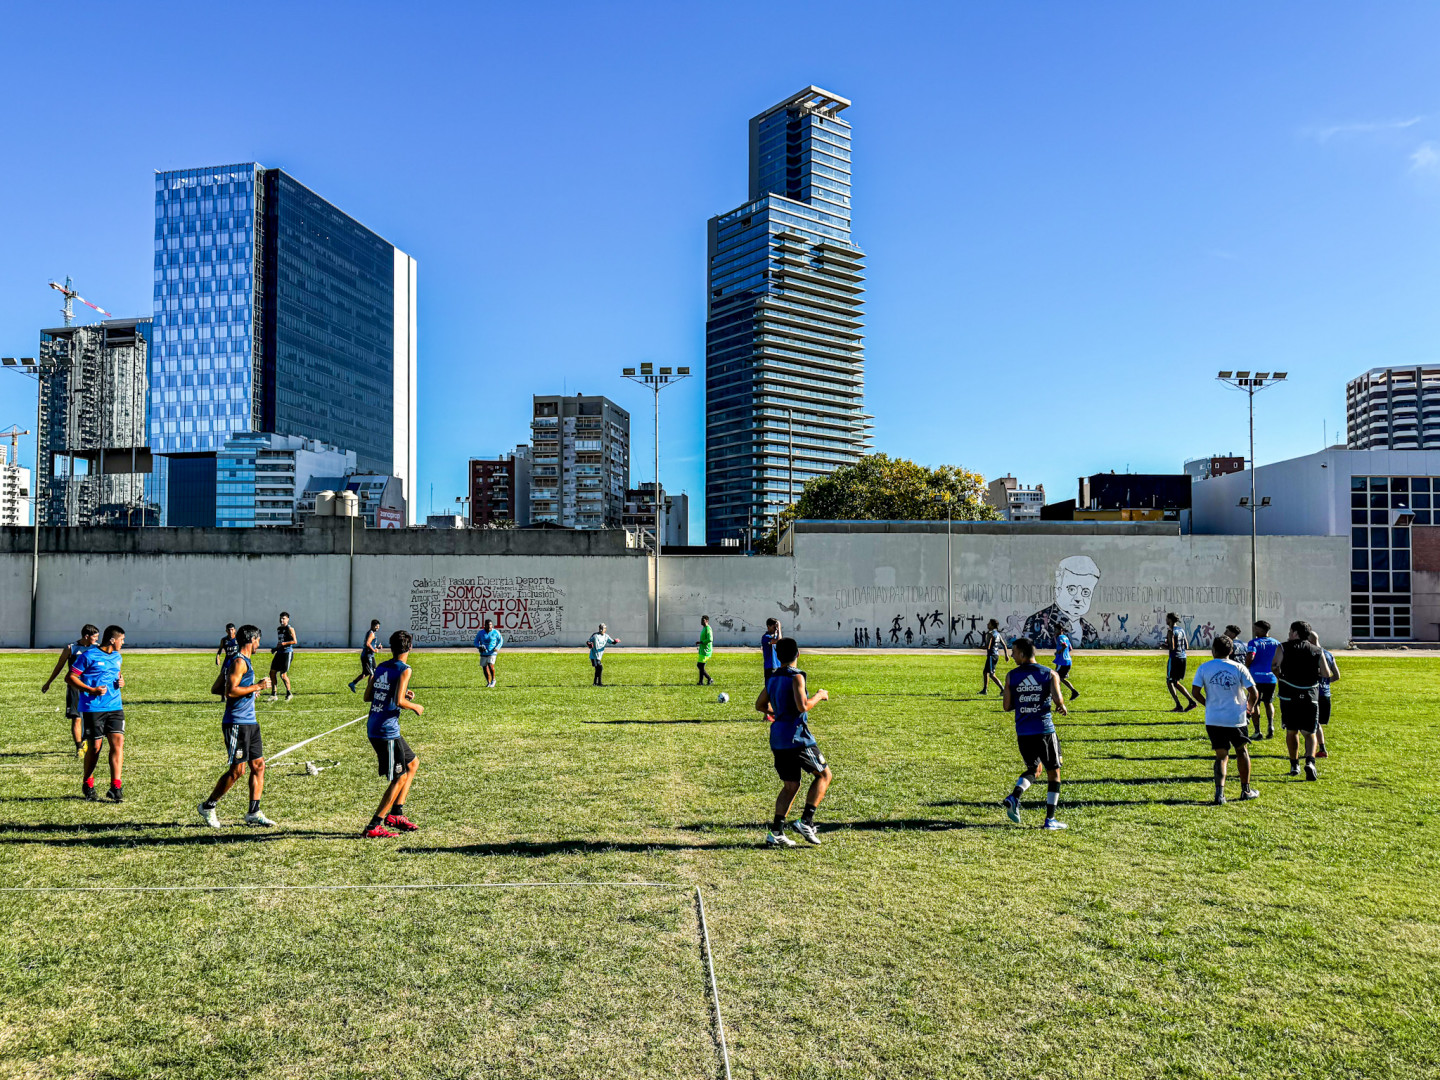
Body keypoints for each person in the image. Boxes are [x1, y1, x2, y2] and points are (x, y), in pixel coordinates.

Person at [754, 637, 831, 847]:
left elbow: (759, 705)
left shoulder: (773, 678)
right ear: (798, 654)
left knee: (791, 785)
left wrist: (777, 712)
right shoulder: (796, 677)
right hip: (797, 738)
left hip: (778, 738)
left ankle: (776, 832)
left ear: (778, 657)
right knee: (824, 775)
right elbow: (802, 707)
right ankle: (806, 821)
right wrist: (819, 695)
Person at [199, 624, 276, 828]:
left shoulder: (241, 662)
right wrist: (256, 687)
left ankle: (254, 812)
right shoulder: (239, 662)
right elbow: (230, 691)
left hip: (250, 722)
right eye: (258, 639)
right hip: (237, 723)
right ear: (251, 640)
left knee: (259, 766)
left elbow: (217, 688)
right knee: (237, 771)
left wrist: (250, 691)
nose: (260, 643)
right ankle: (208, 805)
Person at [1000, 637, 1069, 830]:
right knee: (1054, 773)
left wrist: (1023, 700)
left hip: (1023, 732)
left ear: (1022, 653)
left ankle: (1014, 797)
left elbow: (1006, 706)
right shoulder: (1049, 674)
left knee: (1034, 769)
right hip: (1044, 730)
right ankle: (1050, 820)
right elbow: (1057, 698)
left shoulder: (1011, 676)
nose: (1012, 655)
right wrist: (1061, 706)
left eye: (1013, 652)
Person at [362, 630, 424, 838]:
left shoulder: (381, 666)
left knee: (412, 763)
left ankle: (396, 814)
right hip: (385, 730)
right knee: (399, 777)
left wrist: (399, 692)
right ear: (410, 648)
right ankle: (374, 825)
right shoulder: (405, 669)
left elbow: (368, 695)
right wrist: (414, 705)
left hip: (377, 725)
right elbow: (399, 702)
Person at [1191, 635, 1260, 805]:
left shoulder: (1204, 668)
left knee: (1221, 756)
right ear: (1231, 651)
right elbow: (1254, 693)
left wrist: (1208, 705)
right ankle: (1246, 790)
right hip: (1236, 718)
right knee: (1242, 751)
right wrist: (1249, 709)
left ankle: (1219, 795)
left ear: (1213, 651)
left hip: (1214, 719)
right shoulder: (1239, 667)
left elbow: (1195, 692)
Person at [67, 624, 127, 803]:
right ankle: (88, 783)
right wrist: (91, 690)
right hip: (93, 708)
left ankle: (116, 787)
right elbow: (70, 677)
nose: (123, 643)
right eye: (122, 640)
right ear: (112, 639)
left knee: (118, 744)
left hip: (115, 707)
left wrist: (121, 681)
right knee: (95, 748)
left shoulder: (117, 657)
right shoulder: (88, 656)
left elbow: (116, 674)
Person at [1273, 620, 1326, 781]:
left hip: (1289, 694)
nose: (1289, 634)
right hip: (1310, 695)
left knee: (1292, 731)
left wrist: (1280, 677)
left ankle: (1294, 764)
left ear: (1295, 632)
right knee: (1310, 732)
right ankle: (1310, 761)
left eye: (1290, 631)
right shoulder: (1317, 650)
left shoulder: (1283, 647)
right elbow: (1326, 672)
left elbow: (1275, 665)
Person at [42, 623, 99, 757]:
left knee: (91, 717)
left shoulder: (97, 649)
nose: (97, 639)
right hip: (74, 687)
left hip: (90, 687)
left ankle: (86, 740)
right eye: (95, 637)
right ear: (86, 636)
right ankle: (79, 747)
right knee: (76, 717)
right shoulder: (71, 648)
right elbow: (59, 665)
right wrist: (48, 682)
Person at [1245, 620, 1281, 739]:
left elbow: (1251, 656)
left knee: (1255, 703)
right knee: (1268, 702)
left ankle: (1257, 731)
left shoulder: (1254, 642)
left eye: (1256, 629)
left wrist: (1247, 665)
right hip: (1271, 678)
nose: (1254, 631)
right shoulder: (1276, 643)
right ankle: (1271, 726)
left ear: (1261, 630)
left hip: (1256, 677)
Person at [1310, 630, 1339, 758]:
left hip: (1313, 693)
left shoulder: (1312, 654)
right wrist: (1325, 682)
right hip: (1326, 694)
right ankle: (1320, 749)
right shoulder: (1328, 654)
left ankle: (1318, 749)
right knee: (1317, 723)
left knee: (1312, 724)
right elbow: (1337, 676)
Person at [1163, 613, 1197, 712]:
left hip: (1174, 658)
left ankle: (1178, 705)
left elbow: (1172, 647)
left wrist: (1163, 645)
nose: (1166, 620)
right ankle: (1191, 701)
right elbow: (1186, 646)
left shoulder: (1171, 631)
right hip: (1183, 657)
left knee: (1170, 681)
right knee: (1176, 682)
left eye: (1166, 618)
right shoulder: (1181, 630)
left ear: (1169, 619)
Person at [269, 611, 297, 702]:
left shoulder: (290, 629)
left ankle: (289, 693)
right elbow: (280, 642)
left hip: (287, 653)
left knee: (283, 675)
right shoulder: (279, 629)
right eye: (280, 618)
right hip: (280, 653)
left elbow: (294, 641)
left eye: (284, 618)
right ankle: (274, 694)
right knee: (272, 672)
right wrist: (275, 649)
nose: (281, 620)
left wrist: (285, 643)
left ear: (288, 619)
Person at [349, 619, 381, 693]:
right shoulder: (371, 633)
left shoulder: (371, 633)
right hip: (368, 656)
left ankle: (353, 683)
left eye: (378, 627)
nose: (378, 628)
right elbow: (367, 644)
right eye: (377, 626)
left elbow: (370, 644)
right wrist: (374, 650)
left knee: (366, 673)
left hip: (369, 655)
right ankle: (370, 690)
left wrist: (377, 648)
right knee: (372, 673)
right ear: (373, 626)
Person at [979, 619, 1009, 695]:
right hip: (995, 655)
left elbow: (988, 647)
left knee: (992, 674)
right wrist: (1006, 655)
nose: (987, 624)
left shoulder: (990, 634)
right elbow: (1004, 645)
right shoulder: (998, 634)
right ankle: (984, 690)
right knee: (985, 672)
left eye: (989, 623)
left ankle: (1003, 689)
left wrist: (977, 647)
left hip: (991, 655)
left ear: (992, 625)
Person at [473, 618, 504, 689]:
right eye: (488, 625)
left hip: (492, 652)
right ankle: (488, 682)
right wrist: (479, 646)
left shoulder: (495, 632)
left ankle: (493, 680)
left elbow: (500, 641)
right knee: (484, 667)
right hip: (483, 652)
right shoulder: (481, 633)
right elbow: (476, 642)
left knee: (490, 665)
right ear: (485, 625)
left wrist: (497, 648)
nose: (490, 626)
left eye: (491, 625)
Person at [1053, 629, 1079, 699]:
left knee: (1055, 678)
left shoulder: (1059, 637)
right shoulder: (1066, 637)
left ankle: (1056, 695)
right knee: (1061, 678)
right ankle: (1074, 692)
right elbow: (1070, 648)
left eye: (1055, 630)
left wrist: (1059, 652)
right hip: (1068, 660)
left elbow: (1064, 645)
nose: (1054, 631)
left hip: (1062, 661)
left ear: (1059, 630)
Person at [696, 615, 715, 686]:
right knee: (700, 666)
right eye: (701, 620)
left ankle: (709, 679)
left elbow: (710, 639)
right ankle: (701, 682)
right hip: (702, 650)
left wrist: (701, 642)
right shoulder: (704, 628)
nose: (701, 621)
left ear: (707, 621)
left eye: (703, 620)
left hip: (706, 651)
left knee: (700, 666)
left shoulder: (708, 628)